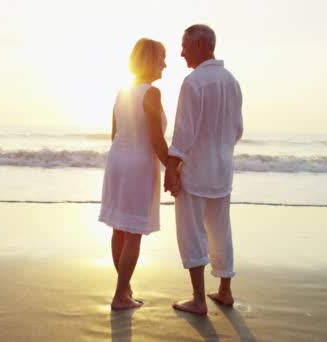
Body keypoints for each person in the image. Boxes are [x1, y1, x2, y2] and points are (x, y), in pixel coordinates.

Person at [164, 24, 244, 315]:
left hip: (197, 171)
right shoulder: (232, 81)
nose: (181, 52)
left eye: (185, 45)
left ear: (200, 45)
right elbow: (237, 130)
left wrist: (172, 168)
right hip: (223, 170)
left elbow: (184, 133)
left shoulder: (194, 82)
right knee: (221, 230)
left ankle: (198, 299)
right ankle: (225, 291)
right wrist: (219, 149)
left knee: (192, 232)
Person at [99, 38, 170, 311]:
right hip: (139, 163)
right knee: (134, 233)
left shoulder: (122, 91)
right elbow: (156, 139)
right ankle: (120, 295)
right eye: (162, 58)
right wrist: (173, 168)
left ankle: (124, 288)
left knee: (120, 228)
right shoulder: (151, 93)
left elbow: (114, 132)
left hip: (117, 159)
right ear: (151, 61)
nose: (165, 64)